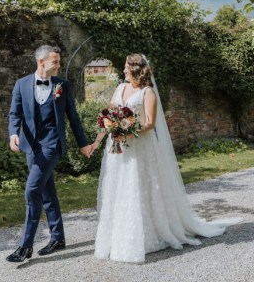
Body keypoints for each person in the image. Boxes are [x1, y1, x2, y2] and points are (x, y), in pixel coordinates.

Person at [88, 54, 243, 263]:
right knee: (117, 188)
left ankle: (147, 236)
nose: (123, 70)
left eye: (126, 67)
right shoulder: (119, 89)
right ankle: (115, 238)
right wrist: (99, 141)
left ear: (136, 69)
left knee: (138, 187)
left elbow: (150, 123)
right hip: (118, 149)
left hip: (140, 147)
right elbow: (108, 116)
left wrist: (128, 132)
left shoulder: (147, 92)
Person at [6, 45, 92, 263]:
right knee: (46, 190)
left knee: (32, 190)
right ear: (41, 62)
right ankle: (58, 237)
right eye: (55, 61)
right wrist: (13, 134)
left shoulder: (63, 85)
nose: (59, 65)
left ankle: (25, 247)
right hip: (30, 146)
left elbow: (73, 117)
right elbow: (14, 113)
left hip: (52, 145)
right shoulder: (21, 84)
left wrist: (83, 144)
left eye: (59, 61)